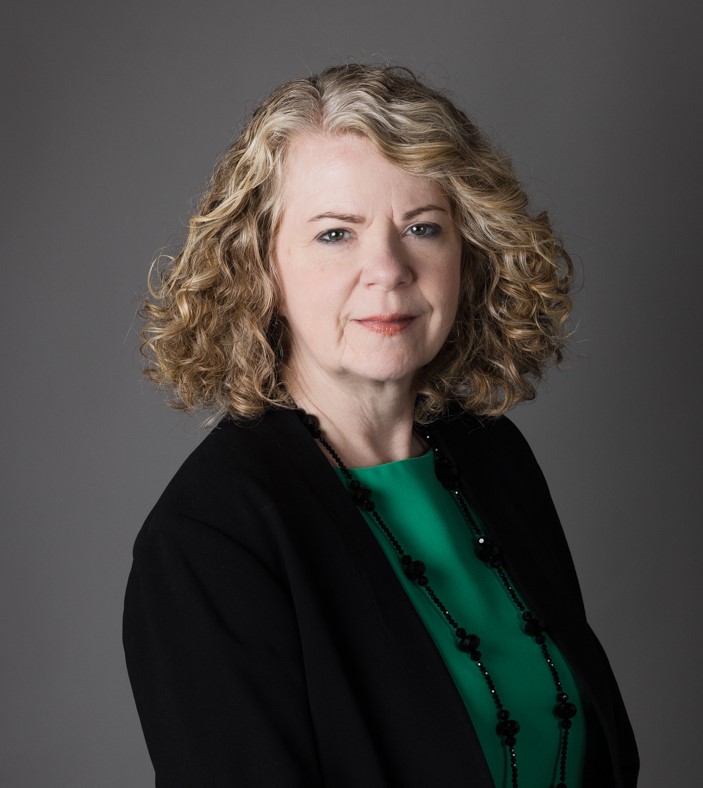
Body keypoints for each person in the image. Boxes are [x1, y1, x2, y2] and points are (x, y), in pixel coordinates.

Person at [123, 64, 638, 787]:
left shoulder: (493, 458)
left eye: (421, 227)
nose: (388, 269)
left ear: (467, 252)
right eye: (336, 233)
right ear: (258, 267)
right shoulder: (210, 535)